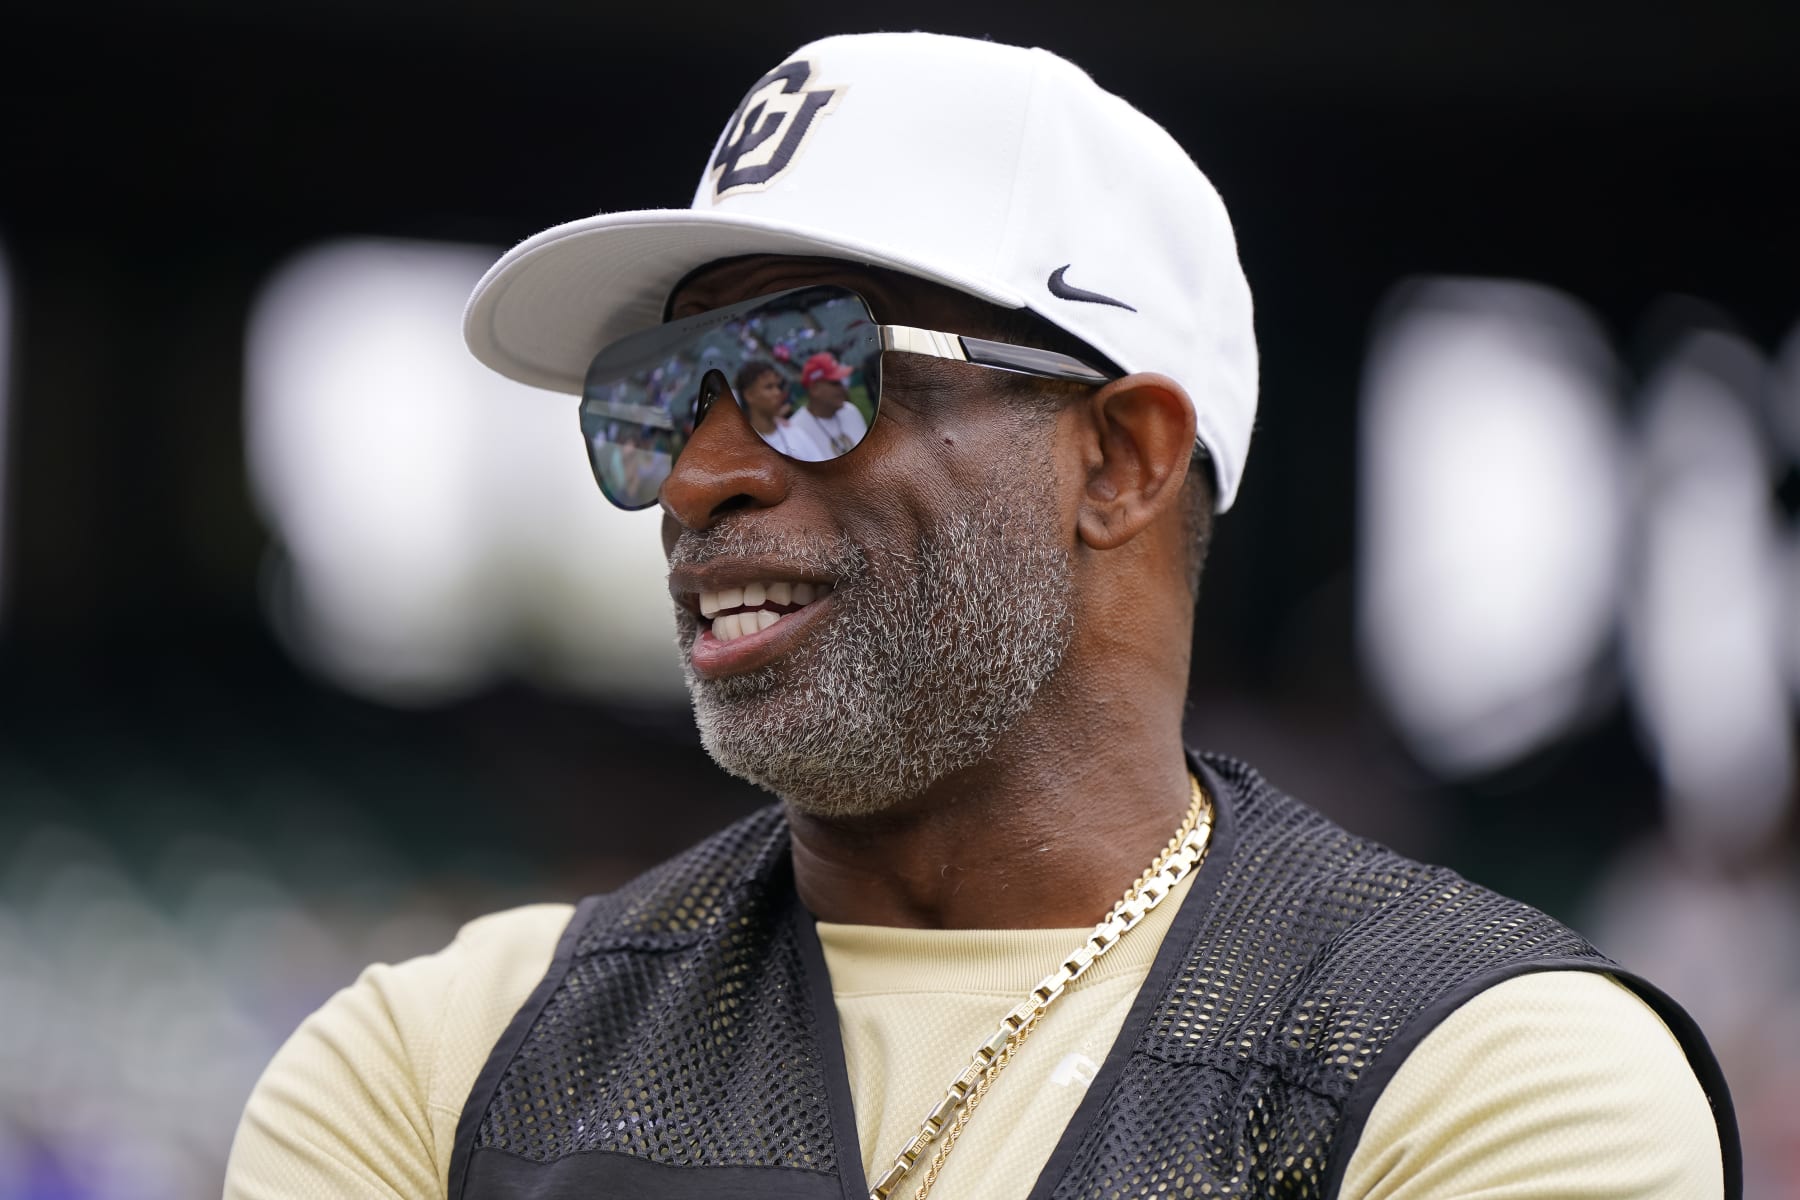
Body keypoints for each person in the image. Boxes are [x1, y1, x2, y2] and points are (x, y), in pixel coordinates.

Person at [224, 31, 1741, 1200]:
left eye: (812, 373)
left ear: (1120, 459)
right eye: (660, 398)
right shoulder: (436, 1061)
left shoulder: (1488, 1069)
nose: (697, 477)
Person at [735, 358, 830, 460]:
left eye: (777, 386)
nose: (777, 392)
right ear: (749, 395)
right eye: (769, 387)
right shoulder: (741, 451)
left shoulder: (792, 430)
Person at [787, 350, 869, 457]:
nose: (843, 388)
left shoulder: (850, 410)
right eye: (835, 383)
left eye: (841, 381)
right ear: (814, 389)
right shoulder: (794, 431)